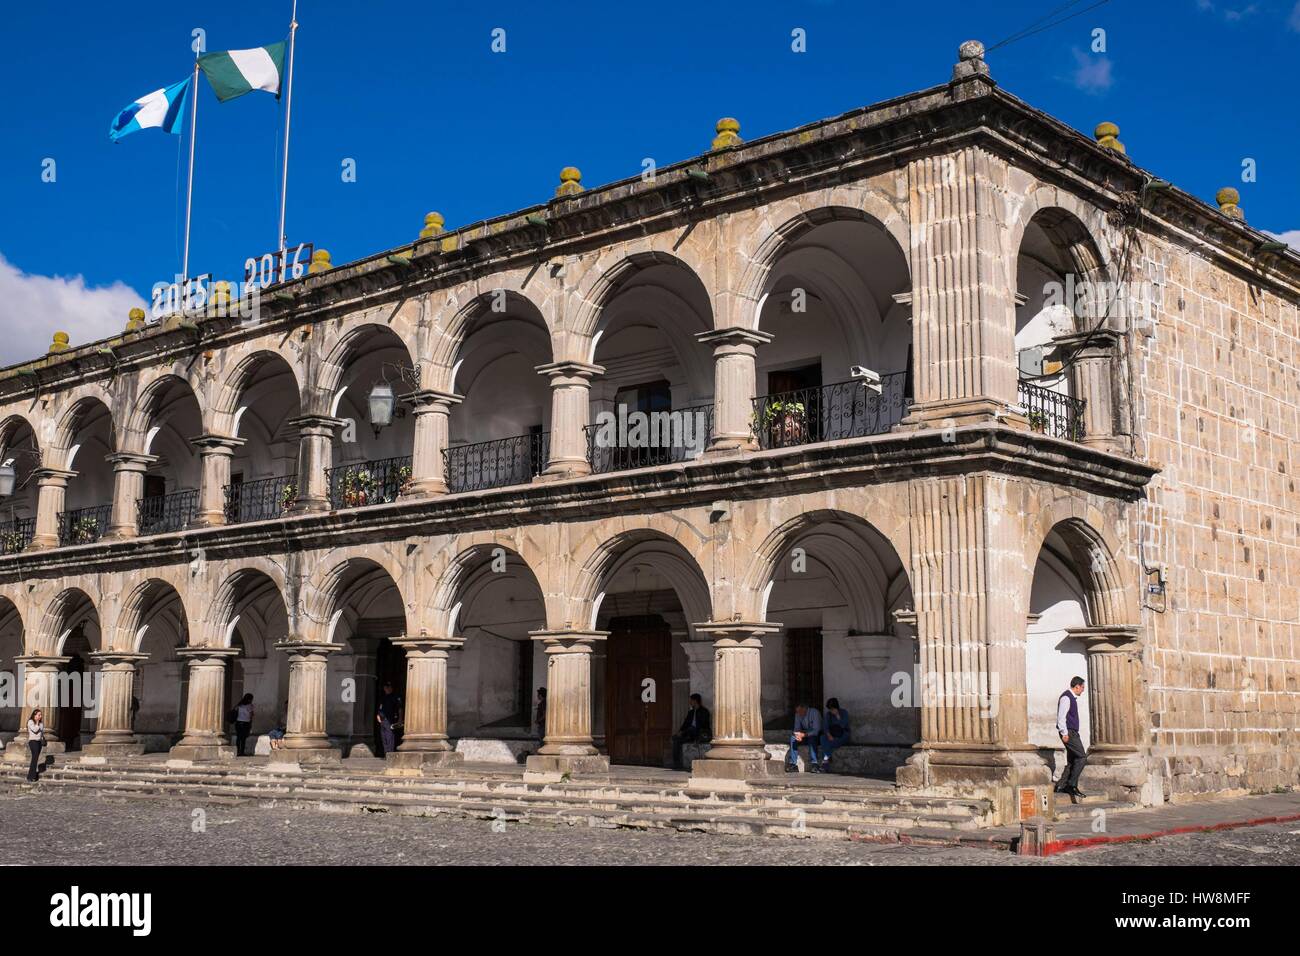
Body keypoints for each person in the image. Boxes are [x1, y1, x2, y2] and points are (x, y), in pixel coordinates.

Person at [1055, 676, 1088, 800]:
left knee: (1072, 759)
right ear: (1077, 686)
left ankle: (1061, 785)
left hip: (1071, 732)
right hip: (1069, 732)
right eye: (1082, 687)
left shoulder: (1071, 697)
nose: (1083, 690)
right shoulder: (1066, 697)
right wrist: (1064, 733)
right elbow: (1061, 717)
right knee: (1081, 757)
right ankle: (1072, 785)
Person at [671, 693, 712, 769]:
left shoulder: (704, 711)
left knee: (691, 729)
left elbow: (704, 725)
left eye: (691, 700)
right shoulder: (691, 712)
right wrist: (680, 731)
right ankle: (677, 763)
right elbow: (685, 723)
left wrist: (689, 729)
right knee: (675, 739)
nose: (690, 702)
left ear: (695, 701)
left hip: (700, 733)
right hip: (689, 733)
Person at [786, 702, 822, 773]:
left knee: (812, 738)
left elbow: (816, 730)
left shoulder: (814, 713)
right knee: (793, 738)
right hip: (804, 734)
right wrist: (798, 735)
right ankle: (793, 764)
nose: (799, 713)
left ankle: (814, 764)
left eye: (800, 711)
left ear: (805, 708)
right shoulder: (798, 714)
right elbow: (796, 729)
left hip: (815, 735)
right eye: (797, 711)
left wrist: (804, 735)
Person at [820, 697, 851, 772]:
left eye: (832, 709)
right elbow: (825, 726)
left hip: (843, 735)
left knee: (829, 743)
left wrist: (838, 716)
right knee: (822, 738)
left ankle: (826, 760)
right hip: (832, 735)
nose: (831, 711)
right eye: (830, 709)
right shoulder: (828, 715)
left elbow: (843, 725)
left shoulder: (844, 713)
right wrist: (829, 735)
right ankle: (827, 758)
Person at [376, 680, 402, 757]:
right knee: (384, 737)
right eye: (386, 687)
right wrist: (378, 715)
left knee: (389, 737)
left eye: (389, 687)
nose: (388, 688)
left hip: (390, 719)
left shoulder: (395, 696)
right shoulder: (383, 697)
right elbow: (380, 707)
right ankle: (386, 753)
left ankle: (390, 754)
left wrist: (400, 719)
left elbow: (400, 708)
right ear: (384, 688)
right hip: (382, 720)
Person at [26, 708, 45, 782]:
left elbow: (41, 733)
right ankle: (31, 776)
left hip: (39, 742)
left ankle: (32, 775)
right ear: (35, 715)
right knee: (34, 758)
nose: (40, 716)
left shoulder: (41, 723)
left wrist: (42, 739)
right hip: (33, 742)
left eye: (41, 715)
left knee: (35, 759)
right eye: (39, 715)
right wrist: (37, 723)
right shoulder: (30, 722)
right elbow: (35, 730)